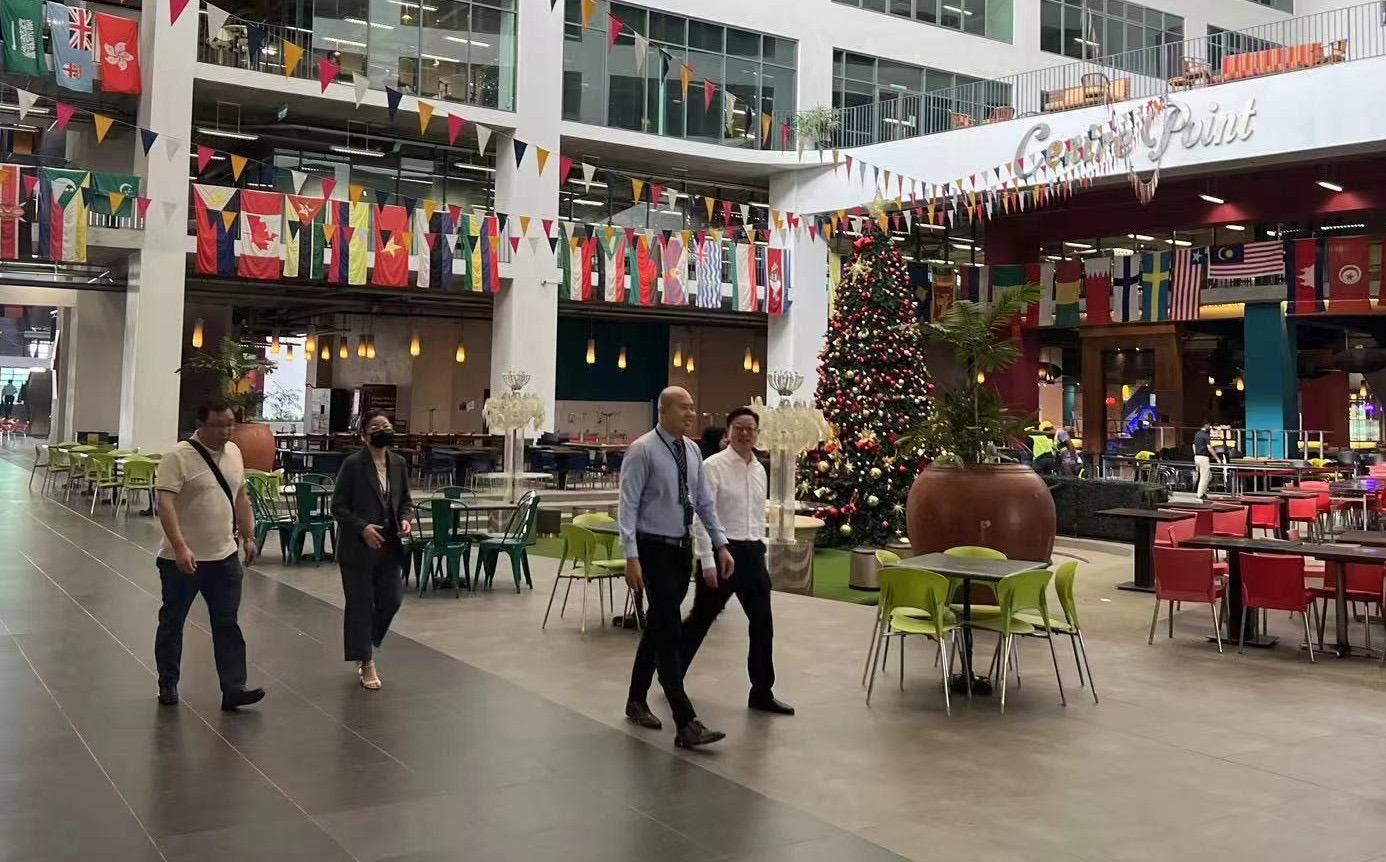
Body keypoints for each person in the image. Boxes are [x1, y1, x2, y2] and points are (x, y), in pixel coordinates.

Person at [622, 386, 735, 749]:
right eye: (683, 408)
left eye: (692, 408)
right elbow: (627, 506)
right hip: (652, 548)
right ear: (664, 411)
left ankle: (635, 700)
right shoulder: (642, 450)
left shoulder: (692, 450)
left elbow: (703, 502)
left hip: (680, 549)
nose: (691, 414)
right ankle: (685, 722)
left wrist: (720, 543)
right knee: (669, 631)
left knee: (658, 624)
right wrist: (631, 556)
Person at [153, 399, 265, 711]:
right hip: (180, 561)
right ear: (200, 424)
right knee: (173, 622)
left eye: (230, 424)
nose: (225, 431)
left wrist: (249, 537)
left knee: (227, 623)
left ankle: (234, 688)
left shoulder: (235, 452)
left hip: (224, 557)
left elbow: (241, 496)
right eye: (217, 425)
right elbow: (165, 505)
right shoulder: (178, 457)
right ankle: (168, 682)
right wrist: (180, 546)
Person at [685, 407, 793, 715]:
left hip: (752, 553)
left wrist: (761, 549)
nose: (745, 434)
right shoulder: (713, 466)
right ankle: (671, 677)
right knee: (700, 620)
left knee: (762, 625)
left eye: (750, 429)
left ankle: (761, 691)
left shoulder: (759, 469)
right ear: (728, 432)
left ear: (757, 434)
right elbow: (701, 515)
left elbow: (756, 516)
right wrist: (706, 559)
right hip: (723, 551)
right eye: (738, 428)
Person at [332, 410, 413, 690]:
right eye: (376, 427)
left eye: (386, 426)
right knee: (361, 604)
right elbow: (338, 506)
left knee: (392, 599)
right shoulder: (353, 465)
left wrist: (406, 519)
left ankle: (364, 641)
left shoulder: (399, 463)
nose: (383, 431)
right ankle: (365, 661)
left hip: (389, 544)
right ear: (365, 435)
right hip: (357, 548)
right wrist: (362, 527)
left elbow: (405, 501)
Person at [1193, 421, 1214, 499]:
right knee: (1204, 477)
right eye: (1209, 425)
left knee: (1209, 476)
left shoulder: (1197, 434)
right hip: (1203, 457)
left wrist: (1195, 454)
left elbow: (1193, 445)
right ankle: (1200, 495)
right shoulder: (1206, 435)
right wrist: (1217, 458)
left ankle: (1204, 492)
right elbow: (1209, 448)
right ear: (1206, 425)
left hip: (1197, 457)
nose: (1210, 427)